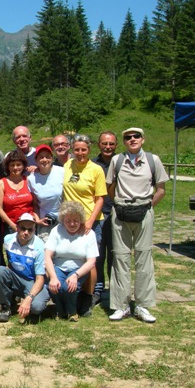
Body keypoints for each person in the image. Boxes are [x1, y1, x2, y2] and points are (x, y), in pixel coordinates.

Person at [106, 127, 168, 323]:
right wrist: (119, 203)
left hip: (144, 211)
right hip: (121, 212)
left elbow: (161, 189)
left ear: (143, 139)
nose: (132, 139)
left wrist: (148, 206)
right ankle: (121, 306)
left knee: (144, 258)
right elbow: (110, 187)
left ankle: (142, 305)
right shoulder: (117, 160)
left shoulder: (153, 160)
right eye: (127, 137)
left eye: (136, 136)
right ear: (124, 141)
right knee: (120, 258)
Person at [62, 134, 107, 316]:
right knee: (73, 256)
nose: (80, 153)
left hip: (91, 221)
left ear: (90, 150)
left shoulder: (96, 169)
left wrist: (89, 221)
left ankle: (88, 297)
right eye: (77, 149)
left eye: (84, 149)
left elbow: (100, 199)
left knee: (90, 261)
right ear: (72, 149)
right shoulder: (67, 166)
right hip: (70, 221)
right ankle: (75, 293)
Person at [44, 202, 99, 321]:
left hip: (79, 268)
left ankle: (72, 311)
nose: (72, 224)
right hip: (58, 267)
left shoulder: (89, 234)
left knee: (68, 287)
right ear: (63, 220)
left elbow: (91, 261)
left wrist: (75, 275)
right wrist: (53, 277)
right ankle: (60, 310)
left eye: (76, 220)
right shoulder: (56, 230)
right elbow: (47, 255)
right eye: (68, 220)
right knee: (54, 286)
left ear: (81, 220)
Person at [0, 213, 50, 323]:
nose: (26, 233)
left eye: (30, 230)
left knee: (36, 307)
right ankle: (5, 306)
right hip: (16, 276)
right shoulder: (8, 239)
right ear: (17, 227)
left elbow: (40, 279)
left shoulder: (39, 246)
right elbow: (9, 263)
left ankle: (29, 300)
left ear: (34, 229)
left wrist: (28, 299)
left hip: (32, 281)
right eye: (23, 228)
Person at [92, 131, 118, 301]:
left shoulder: (122, 162)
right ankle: (98, 289)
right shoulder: (92, 164)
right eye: (104, 143)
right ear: (99, 145)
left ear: (116, 145)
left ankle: (115, 291)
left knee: (116, 254)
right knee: (98, 255)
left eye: (111, 144)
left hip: (118, 214)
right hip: (98, 215)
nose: (108, 147)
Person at [27, 144, 64, 241]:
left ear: (52, 158)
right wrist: (38, 220)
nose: (44, 159)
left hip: (64, 219)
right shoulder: (31, 179)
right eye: (41, 157)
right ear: (36, 160)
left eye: (47, 156)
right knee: (46, 252)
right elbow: (35, 203)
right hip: (45, 221)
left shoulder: (62, 172)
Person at [0, 150, 34, 235]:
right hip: (11, 225)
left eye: (18, 164)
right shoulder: (1, 183)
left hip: (29, 224)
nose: (15, 168)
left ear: (23, 166)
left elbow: (36, 202)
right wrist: (11, 224)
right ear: (8, 167)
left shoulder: (29, 180)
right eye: (12, 165)